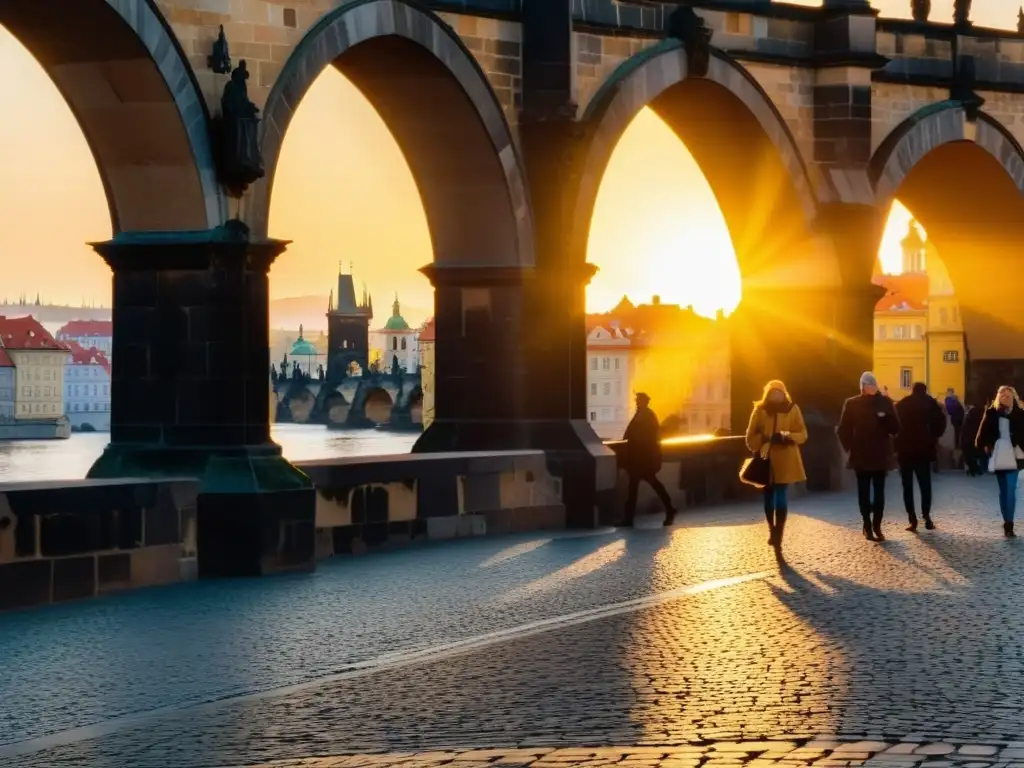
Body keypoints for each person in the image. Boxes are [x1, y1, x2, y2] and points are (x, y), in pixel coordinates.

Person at [745, 380, 808, 549]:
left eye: (779, 392)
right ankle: (771, 528)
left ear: (784, 393)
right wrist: (765, 438)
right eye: (773, 392)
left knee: (780, 495)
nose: (776, 395)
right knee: (768, 496)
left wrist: (787, 435)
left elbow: (802, 433)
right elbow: (750, 437)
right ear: (768, 393)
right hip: (766, 458)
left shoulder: (792, 409)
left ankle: (778, 532)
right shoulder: (760, 409)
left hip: (786, 458)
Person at [838, 372, 900, 542]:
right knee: (863, 491)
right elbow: (843, 428)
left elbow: (895, 428)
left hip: (880, 453)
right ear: (862, 386)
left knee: (879, 492)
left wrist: (887, 417)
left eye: (872, 384)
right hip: (861, 453)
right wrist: (850, 447)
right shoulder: (852, 403)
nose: (870, 387)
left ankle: (877, 525)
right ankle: (867, 524)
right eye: (867, 384)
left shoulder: (885, 402)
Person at [619, 392, 677, 527]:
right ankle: (669, 509)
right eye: (637, 401)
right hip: (640, 458)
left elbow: (646, 438)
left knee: (640, 486)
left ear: (644, 402)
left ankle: (630, 518)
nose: (637, 403)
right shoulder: (644, 415)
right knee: (642, 486)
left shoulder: (646, 415)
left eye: (639, 401)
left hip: (643, 458)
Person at [895, 382, 946, 532]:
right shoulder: (931, 403)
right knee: (925, 485)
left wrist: (896, 444)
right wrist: (933, 437)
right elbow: (941, 423)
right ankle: (927, 517)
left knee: (907, 486)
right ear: (925, 390)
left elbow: (894, 425)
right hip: (924, 450)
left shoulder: (903, 404)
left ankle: (912, 519)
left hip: (905, 451)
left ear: (912, 390)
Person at [974, 385, 1024, 537]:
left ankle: (1009, 524)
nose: (1005, 398)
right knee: (1003, 491)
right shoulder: (991, 412)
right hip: (999, 454)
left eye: (1008, 396)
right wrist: (987, 445)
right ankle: (1006, 520)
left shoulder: (1021, 414)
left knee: (1010, 489)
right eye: (1002, 396)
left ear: (1013, 398)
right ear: (998, 397)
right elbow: (982, 434)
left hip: (1016, 455)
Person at [961, 402, 985, 476]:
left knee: (969, 454)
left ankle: (974, 470)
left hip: (967, 438)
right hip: (974, 437)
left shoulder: (971, 414)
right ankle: (975, 469)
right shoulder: (979, 414)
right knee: (973, 454)